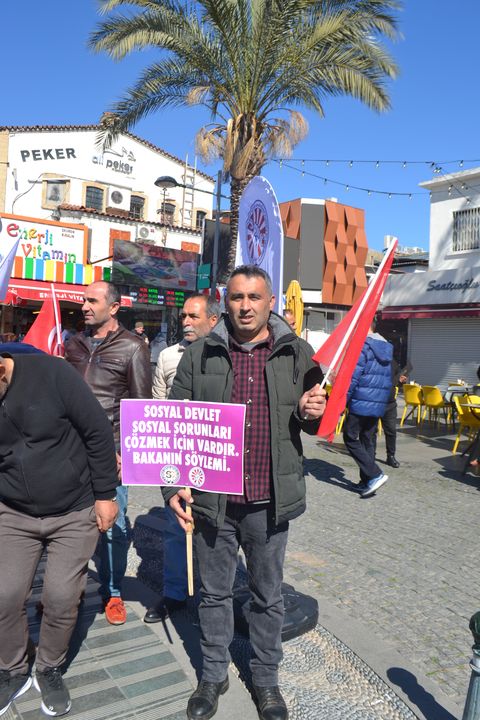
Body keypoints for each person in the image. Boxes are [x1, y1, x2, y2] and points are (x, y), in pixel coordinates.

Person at [164, 265, 326, 720]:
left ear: (270, 301)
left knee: (267, 596)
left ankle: (267, 681)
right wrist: (173, 485)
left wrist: (311, 410)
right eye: (237, 297)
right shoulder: (200, 354)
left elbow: (312, 417)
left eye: (255, 297)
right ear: (225, 301)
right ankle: (212, 675)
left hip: (269, 500)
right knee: (214, 594)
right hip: (213, 498)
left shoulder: (297, 352)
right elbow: (174, 423)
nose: (245, 306)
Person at [0, 352, 119, 717]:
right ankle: (12, 669)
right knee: (5, 594)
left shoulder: (51, 372)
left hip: (74, 507)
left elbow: (97, 432)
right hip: (13, 511)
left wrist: (106, 496)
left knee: (61, 596)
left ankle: (49, 666)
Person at [65, 281, 151, 625]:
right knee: (70, 522)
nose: (84, 306)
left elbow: (140, 406)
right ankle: (66, 592)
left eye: (91, 301)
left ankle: (113, 592)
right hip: (69, 450)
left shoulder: (133, 347)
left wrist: (125, 454)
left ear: (113, 307)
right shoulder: (73, 343)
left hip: (111, 452)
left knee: (112, 526)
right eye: (83, 300)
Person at [144, 294, 220, 624]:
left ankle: (216, 597)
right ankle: (175, 593)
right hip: (182, 458)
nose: (186, 322)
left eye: (193, 316)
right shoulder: (166, 357)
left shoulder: (226, 354)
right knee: (178, 529)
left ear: (213, 320)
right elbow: (159, 410)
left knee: (220, 532)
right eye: (183, 316)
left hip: (217, 456)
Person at [343, 325, 393, 498]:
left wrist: (343, 400)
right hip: (378, 402)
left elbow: (353, 377)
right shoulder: (386, 346)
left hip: (361, 401)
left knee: (349, 436)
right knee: (367, 439)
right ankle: (367, 481)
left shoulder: (362, 347)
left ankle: (375, 474)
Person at [377, 359, 408, 468]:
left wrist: (401, 380)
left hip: (390, 404)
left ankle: (391, 456)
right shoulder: (373, 362)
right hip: (375, 402)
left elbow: (398, 379)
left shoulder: (393, 362)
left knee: (391, 431)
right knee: (371, 431)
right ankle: (370, 455)